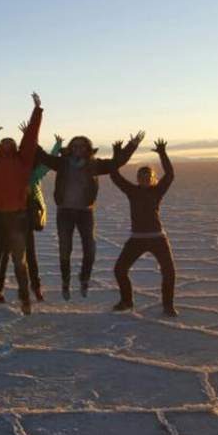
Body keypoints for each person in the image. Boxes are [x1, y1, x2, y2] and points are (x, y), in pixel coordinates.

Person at [34, 131, 144, 300]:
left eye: (82, 146)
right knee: (65, 249)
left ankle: (84, 279)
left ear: (87, 149)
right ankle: (65, 282)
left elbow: (117, 162)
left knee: (90, 250)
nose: (78, 148)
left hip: (85, 213)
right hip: (65, 212)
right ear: (70, 148)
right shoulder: (62, 163)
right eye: (75, 146)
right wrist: (31, 133)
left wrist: (133, 145)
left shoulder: (94, 165)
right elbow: (41, 155)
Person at [0, 91, 43, 315]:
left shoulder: (23, 162)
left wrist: (37, 110)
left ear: (15, 146)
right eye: (3, 141)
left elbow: (31, 137)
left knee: (19, 263)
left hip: (18, 218)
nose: (5, 142)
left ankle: (25, 300)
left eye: (10, 140)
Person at [110, 138, 177, 317]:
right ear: (138, 179)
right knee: (119, 269)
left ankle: (168, 306)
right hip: (137, 238)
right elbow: (114, 175)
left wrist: (162, 153)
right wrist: (117, 154)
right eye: (141, 176)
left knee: (169, 272)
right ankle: (126, 301)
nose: (145, 179)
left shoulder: (158, 191)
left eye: (148, 176)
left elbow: (170, 174)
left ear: (153, 179)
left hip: (157, 237)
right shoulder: (132, 191)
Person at [0, 131, 63, 302]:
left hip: (24, 219)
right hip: (5, 217)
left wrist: (57, 146)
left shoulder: (30, 175)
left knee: (30, 255)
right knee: (4, 254)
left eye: (10, 145)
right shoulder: (0, 169)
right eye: (4, 145)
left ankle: (36, 287)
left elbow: (47, 164)